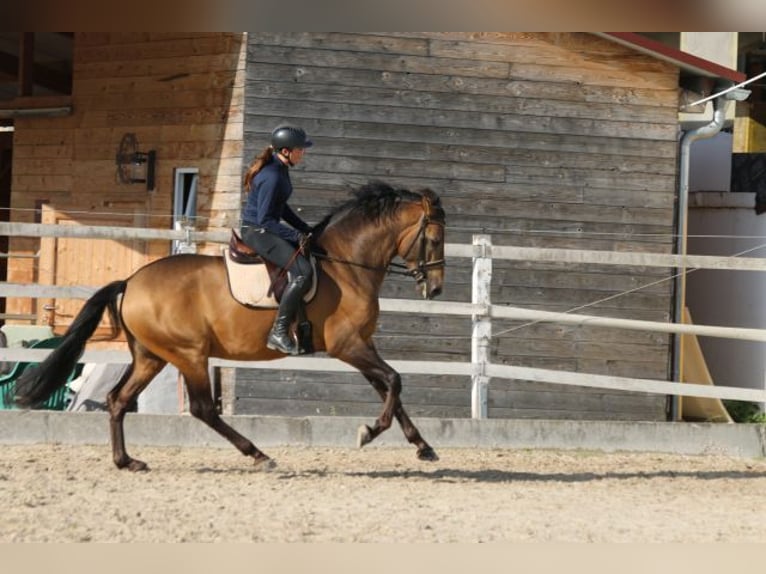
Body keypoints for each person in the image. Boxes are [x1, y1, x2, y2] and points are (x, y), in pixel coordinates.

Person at [240, 125, 314, 355]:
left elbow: (281, 208)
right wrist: (294, 235)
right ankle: (279, 332)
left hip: (265, 227)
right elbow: (265, 220)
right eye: (300, 149)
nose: (303, 153)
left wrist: (305, 228)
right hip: (257, 232)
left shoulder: (280, 170)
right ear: (285, 151)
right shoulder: (272, 176)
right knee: (303, 272)